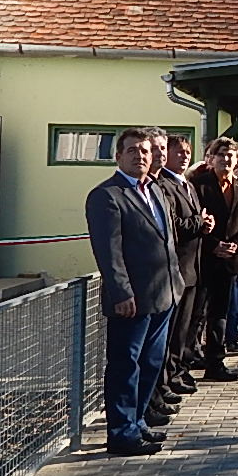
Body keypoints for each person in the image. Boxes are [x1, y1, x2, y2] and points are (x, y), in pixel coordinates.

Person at [85, 127, 184, 456]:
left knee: (151, 363)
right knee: (125, 366)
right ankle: (121, 433)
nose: (140, 156)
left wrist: (176, 283)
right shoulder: (107, 196)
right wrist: (121, 292)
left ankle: (138, 422)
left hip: (164, 295)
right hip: (132, 300)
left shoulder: (155, 190)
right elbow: (108, 252)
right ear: (118, 156)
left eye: (145, 151)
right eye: (132, 151)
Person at [149, 131, 212, 398]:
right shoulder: (163, 185)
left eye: (187, 152)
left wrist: (205, 223)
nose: (184, 157)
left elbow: (196, 218)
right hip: (177, 268)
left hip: (193, 268)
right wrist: (200, 222)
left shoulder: (187, 184)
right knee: (172, 331)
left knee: (185, 329)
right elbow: (175, 225)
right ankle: (165, 380)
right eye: (179, 152)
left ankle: (177, 372)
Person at [188, 137, 238, 382]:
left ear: (237, 160)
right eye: (222, 155)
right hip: (203, 259)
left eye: (231, 155)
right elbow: (194, 221)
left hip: (229, 261)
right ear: (212, 158)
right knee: (196, 315)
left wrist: (236, 246)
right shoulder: (199, 185)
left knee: (220, 315)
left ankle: (215, 364)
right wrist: (214, 245)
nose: (226, 159)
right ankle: (186, 363)